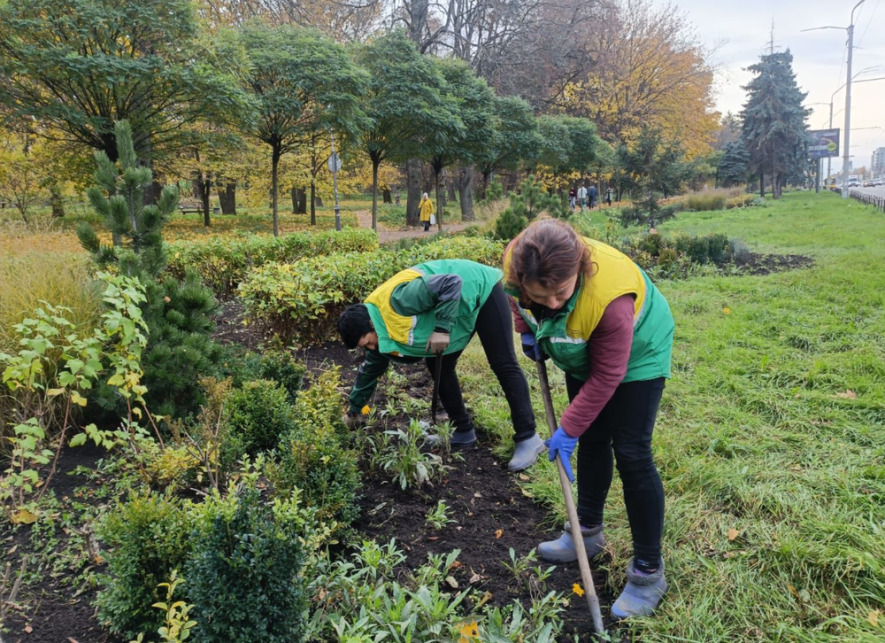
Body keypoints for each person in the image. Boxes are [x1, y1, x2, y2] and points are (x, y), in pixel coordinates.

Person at [503, 219, 674, 620]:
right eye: (541, 296)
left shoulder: (610, 300)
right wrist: (526, 329)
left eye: (561, 293)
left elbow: (608, 376)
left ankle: (649, 572)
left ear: (580, 267)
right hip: (581, 348)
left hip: (637, 356)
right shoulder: (518, 264)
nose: (554, 304)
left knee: (631, 452)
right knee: (594, 441)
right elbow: (514, 297)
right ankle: (587, 533)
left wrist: (567, 429)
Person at [337, 259, 546, 472]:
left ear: (370, 325)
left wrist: (442, 329)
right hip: (458, 308)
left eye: (368, 342)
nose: (372, 348)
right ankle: (463, 430)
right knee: (439, 366)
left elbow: (451, 282)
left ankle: (528, 437)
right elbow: (369, 372)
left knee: (503, 363)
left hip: (480, 289)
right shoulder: (379, 334)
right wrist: (353, 412)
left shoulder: (399, 299)